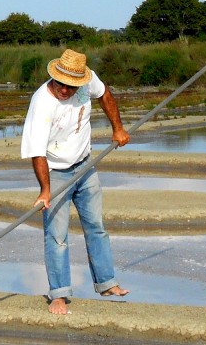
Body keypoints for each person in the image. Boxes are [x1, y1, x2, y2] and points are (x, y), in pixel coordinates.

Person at [20, 49, 130, 315]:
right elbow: (37, 152)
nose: (65, 91)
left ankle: (106, 283)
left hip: (85, 165)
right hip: (56, 171)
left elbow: (104, 94)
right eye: (61, 85)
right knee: (57, 236)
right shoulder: (42, 103)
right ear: (54, 78)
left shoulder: (87, 81)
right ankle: (58, 294)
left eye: (71, 86)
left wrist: (118, 127)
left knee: (96, 225)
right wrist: (45, 190)